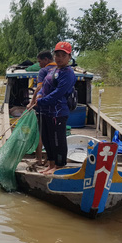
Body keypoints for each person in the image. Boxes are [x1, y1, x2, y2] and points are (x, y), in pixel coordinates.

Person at [34, 41, 77, 175]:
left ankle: (59, 166)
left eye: (63, 55)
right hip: (46, 111)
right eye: (57, 55)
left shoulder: (68, 73)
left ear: (69, 57)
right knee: (47, 139)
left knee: (57, 140)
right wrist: (39, 96)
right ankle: (51, 164)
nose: (59, 58)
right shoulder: (52, 70)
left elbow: (58, 93)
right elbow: (43, 87)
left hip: (58, 113)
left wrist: (41, 101)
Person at [27, 50, 56, 165]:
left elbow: (39, 88)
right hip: (57, 109)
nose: (39, 64)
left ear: (46, 60)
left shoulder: (44, 71)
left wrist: (32, 101)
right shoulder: (61, 70)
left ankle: (39, 159)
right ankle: (50, 160)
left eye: (40, 62)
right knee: (53, 134)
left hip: (43, 107)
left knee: (40, 133)